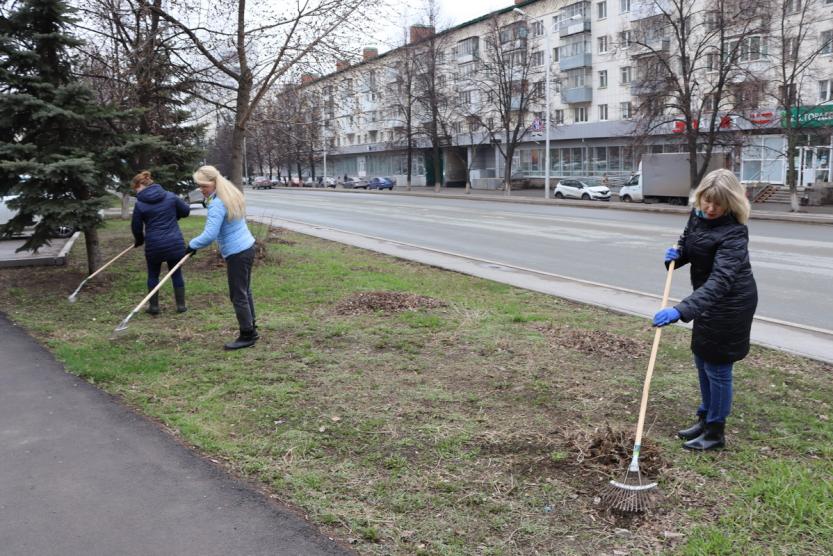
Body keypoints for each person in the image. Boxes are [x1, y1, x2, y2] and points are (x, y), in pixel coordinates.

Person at [653, 169, 757, 451]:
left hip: (731, 303)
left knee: (718, 366)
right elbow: (688, 244)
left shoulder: (735, 233)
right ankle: (705, 418)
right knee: (701, 359)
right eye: (706, 201)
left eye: (718, 204)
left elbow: (721, 280)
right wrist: (677, 255)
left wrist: (681, 310)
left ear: (731, 203)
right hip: (706, 300)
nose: (710, 209)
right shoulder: (698, 216)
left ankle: (715, 432)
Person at [186, 166, 258, 350]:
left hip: (237, 252)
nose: (201, 189)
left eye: (204, 186)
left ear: (214, 182)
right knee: (244, 291)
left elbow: (210, 234)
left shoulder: (218, 203)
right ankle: (251, 327)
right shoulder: (229, 193)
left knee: (238, 295)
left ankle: (247, 334)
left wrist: (191, 245)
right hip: (247, 246)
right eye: (199, 186)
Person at [131, 170, 190, 315]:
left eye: (135, 188)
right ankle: (181, 306)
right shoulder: (170, 196)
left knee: (153, 275)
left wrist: (139, 240)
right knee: (176, 273)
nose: (135, 191)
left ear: (140, 185)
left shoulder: (140, 204)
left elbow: (136, 227)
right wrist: (173, 216)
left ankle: (154, 307)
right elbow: (186, 211)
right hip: (174, 242)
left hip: (154, 245)